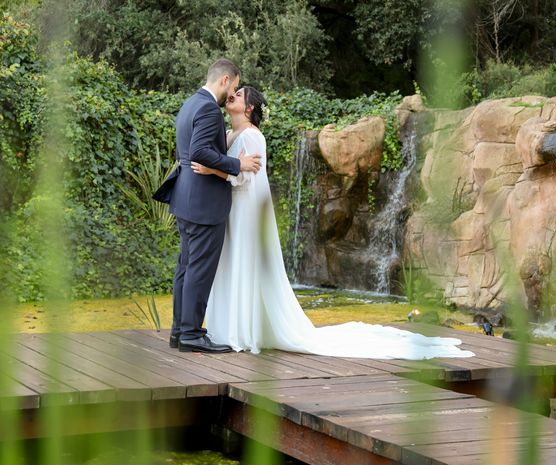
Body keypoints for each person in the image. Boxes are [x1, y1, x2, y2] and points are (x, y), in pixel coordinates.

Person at [190, 86, 475, 360]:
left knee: (244, 264)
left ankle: (242, 331)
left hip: (246, 212)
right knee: (232, 264)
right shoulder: (231, 133)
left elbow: (242, 177)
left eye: (238, 95)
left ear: (249, 107)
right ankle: (232, 327)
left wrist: (211, 169)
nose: (231, 97)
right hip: (233, 210)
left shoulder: (253, 137)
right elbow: (234, 167)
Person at [154, 59, 262, 353]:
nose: (233, 94)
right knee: (198, 270)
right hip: (204, 202)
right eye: (236, 87)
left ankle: (179, 331)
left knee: (186, 267)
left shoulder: (191, 103)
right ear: (225, 79)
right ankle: (190, 333)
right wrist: (236, 164)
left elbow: (190, 152)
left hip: (186, 198)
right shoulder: (209, 110)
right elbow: (201, 152)